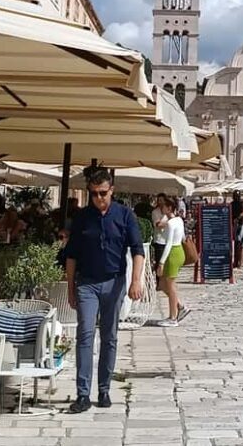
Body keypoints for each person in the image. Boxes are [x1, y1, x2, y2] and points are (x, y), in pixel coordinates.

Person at [64, 168, 144, 413]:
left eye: (102, 193)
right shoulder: (82, 218)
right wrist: (70, 288)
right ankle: (83, 394)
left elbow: (137, 249)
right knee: (85, 334)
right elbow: (71, 254)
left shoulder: (124, 215)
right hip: (86, 282)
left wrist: (136, 281)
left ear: (112, 191)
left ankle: (105, 389)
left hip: (114, 282)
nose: (98, 198)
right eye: (94, 194)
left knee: (109, 336)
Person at [156, 197, 189, 326]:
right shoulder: (179, 220)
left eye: (163, 206)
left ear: (169, 208)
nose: (161, 208)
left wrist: (161, 262)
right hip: (179, 250)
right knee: (164, 284)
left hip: (173, 253)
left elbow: (168, 244)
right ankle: (179, 306)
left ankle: (173, 317)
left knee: (170, 285)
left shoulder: (170, 223)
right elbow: (183, 237)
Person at [150, 193, 169, 286]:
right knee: (159, 262)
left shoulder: (168, 212)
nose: (161, 202)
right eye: (159, 200)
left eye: (162, 200)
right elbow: (158, 224)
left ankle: (166, 281)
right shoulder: (155, 212)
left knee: (167, 262)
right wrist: (170, 223)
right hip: (159, 240)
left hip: (168, 240)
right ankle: (159, 282)